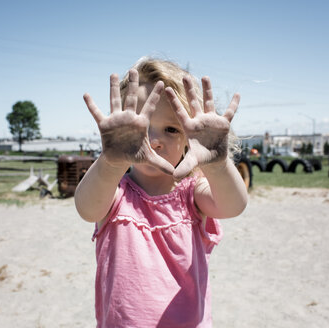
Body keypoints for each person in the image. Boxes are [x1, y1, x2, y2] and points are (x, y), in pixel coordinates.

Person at [75, 58, 248, 327]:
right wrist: (110, 162)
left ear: (190, 136)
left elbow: (233, 205)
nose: (155, 140)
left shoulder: (193, 192)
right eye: (142, 128)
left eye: (171, 129)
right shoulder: (115, 191)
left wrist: (217, 164)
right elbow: (87, 208)